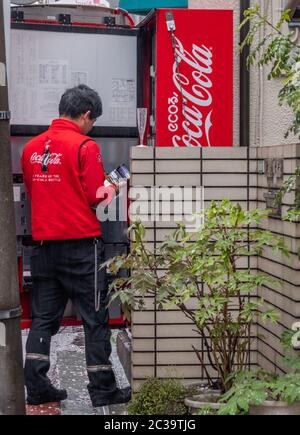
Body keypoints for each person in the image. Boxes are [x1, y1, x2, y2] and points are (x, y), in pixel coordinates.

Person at [21, 84, 131, 407]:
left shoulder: (31, 148)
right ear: (85, 115)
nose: (92, 125)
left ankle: (37, 385)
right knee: (95, 318)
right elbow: (95, 196)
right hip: (82, 249)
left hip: (44, 247)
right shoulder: (85, 146)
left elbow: (32, 188)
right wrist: (115, 184)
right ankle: (102, 390)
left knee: (43, 318)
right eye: (92, 120)